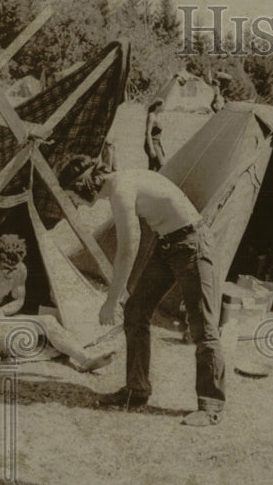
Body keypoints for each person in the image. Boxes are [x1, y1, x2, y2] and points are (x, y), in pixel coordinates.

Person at [56, 153, 225, 426]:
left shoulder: (121, 190)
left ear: (81, 186)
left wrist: (111, 301)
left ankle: (210, 406)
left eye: (72, 196)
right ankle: (136, 390)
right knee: (136, 310)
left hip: (192, 244)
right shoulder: (119, 185)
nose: (76, 203)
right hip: (170, 244)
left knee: (202, 324)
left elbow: (127, 250)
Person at [0, 234, 115, 377]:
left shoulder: (19, 271)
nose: (10, 273)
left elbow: (19, 300)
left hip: (1, 333)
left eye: (14, 267)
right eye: (5, 268)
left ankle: (85, 360)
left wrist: (3, 310)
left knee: (48, 320)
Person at [144, 99, 164, 171]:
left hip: (157, 143)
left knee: (153, 167)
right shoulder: (151, 116)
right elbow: (148, 133)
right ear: (157, 106)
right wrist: (151, 148)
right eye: (162, 106)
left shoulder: (157, 116)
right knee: (160, 165)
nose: (163, 108)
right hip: (152, 144)